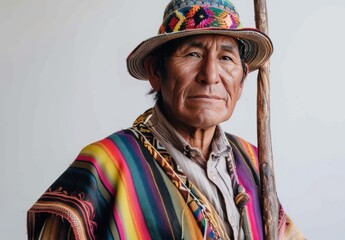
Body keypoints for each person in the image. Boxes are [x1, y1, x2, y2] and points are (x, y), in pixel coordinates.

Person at [27, 0, 305, 239]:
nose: (210, 75)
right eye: (193, 54)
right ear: (155, 72)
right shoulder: (106, 166)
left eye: (226, 58)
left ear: (242, 79)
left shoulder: (252, 161)